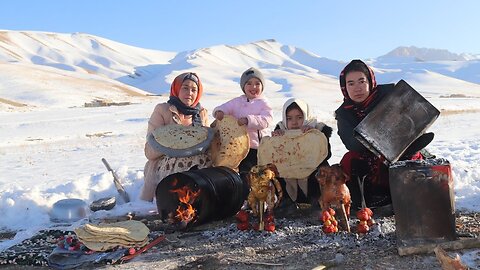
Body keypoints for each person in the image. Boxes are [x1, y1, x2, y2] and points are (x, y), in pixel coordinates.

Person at [335, 59, 434, 210]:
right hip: (369, 154)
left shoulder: (390, 96)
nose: (357, 88)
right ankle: (366, 201)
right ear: (345, 87)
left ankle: (406, 195)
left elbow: (412, 119)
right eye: (351, 83)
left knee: (405, 156)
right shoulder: (344, 113)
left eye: (362, 81)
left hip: (400, 147)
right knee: (350, 159)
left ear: (370, 81)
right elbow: (351, 143)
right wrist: (378, 132)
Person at [141, 72, 212, 201]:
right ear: (177, 88)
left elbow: (207, 145)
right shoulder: (162, 110)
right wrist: (175, 143)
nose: (189, 93)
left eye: (194, 89)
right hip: (165, 169)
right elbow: (149, 151)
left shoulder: (202, 113)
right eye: (185, 88)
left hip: (196, 168)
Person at [271, 98, 332, 206]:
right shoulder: (281, 131)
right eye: (289, 118)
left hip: (311, 179)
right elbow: (276, 157)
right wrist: (277, 139)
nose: (294, 122)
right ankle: (286, 202)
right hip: (291, 173)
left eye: (299, 117)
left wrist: (314, 135)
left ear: (306, 116)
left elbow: (326, 155)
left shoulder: (317, 129)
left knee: (321, 170)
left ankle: (319, 202)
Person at [212, 67, 273, 174]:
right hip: (235, 147)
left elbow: (266, 120)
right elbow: (225, 107)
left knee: (251, 175)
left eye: (257, 83)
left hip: (255, 148)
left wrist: (248, 120)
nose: (253, 87)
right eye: (249, 83)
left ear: (262, 86)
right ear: (243, 87)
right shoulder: (237, 101)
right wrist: (219, 112)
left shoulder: (263, 103)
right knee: (234, 173)